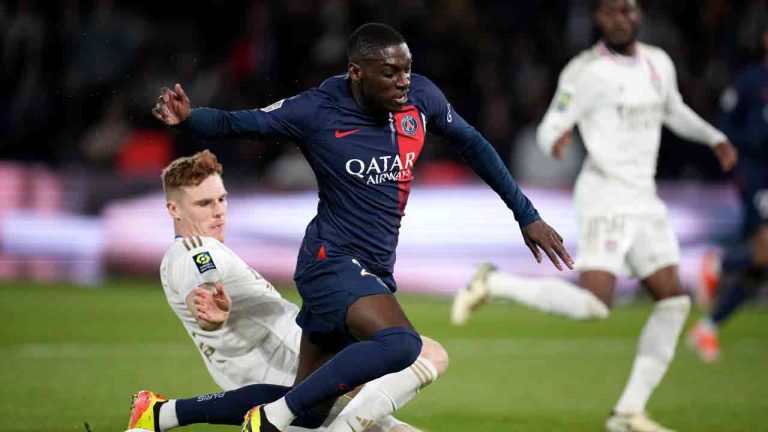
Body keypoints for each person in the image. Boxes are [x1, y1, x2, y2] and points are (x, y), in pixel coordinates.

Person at [153, 23, 572, 432]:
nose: (403, 81)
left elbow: (474, 145)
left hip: (369, 267)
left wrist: (526, 214)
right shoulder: (316, 110)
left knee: (311, 407)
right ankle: (271, 421)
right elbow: (241, 123)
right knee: (402, 344)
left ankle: (162, 414)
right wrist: (190, 119)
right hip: (329, 261)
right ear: (357, 72)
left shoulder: (422, 99)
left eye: (406, 69)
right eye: (390, 72)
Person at [450, 1, 738, 431]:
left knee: (674, 302)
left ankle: (628, 412)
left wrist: (714, 136)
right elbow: (551, 125)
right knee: (594, 305)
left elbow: (673, 108)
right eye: (610, 12)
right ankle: (493, 282)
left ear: (638, 15)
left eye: (627, 10)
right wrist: (554, 141)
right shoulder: (584, 72)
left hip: (645, 196)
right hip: (605, 194)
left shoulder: (658, 62)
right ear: (598, 19)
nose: (620, 18)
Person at [127, 150, 449, 432]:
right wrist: (213, 307)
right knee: (427, 353)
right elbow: (204, 277)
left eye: (222, 199)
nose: (218, 210)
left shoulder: (188, 254)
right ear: (174, 210)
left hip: (261, 371)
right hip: (285, 360)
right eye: (204, 203)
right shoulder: (195, 251)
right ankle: (163, 413)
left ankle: (159, 413)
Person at [688, 25, 768, 363]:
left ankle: (707, 327)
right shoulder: (751, 81)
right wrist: (741, 169)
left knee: (758, 271)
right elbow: (726, 124)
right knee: (764, 252)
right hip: (759, 174)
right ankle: (718, 264)